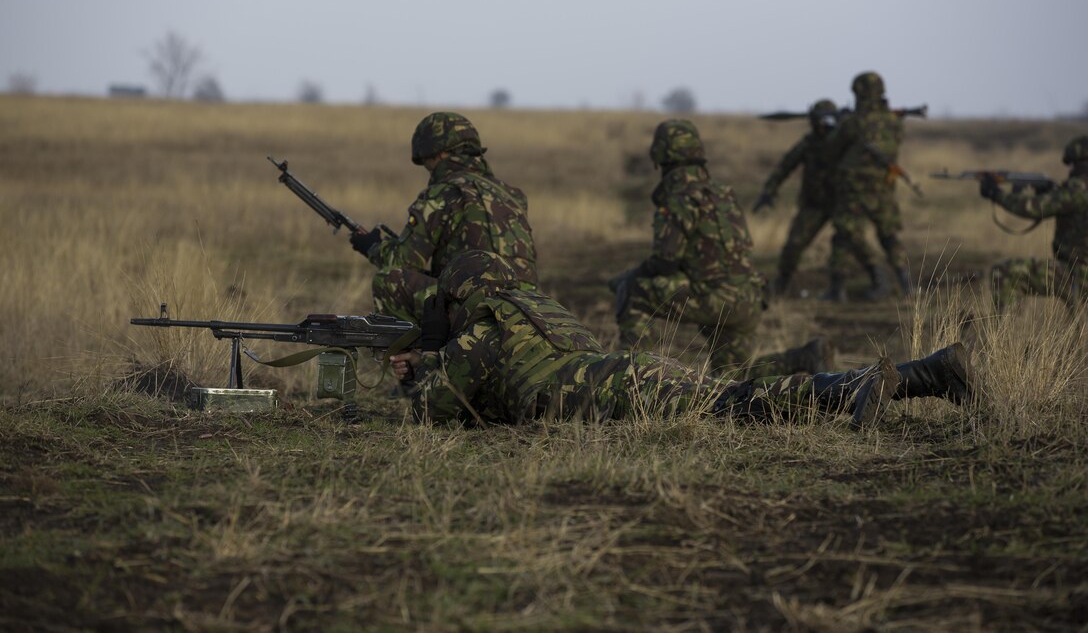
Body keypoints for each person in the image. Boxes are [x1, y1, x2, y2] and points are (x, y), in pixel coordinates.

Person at [390, 251, 973, 428]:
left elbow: (434, 411)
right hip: (629, 373)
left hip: (621, 389)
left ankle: (876, 383)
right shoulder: (539, 313)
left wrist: (414, 378)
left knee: (740, 405)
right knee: (739, 397)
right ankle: (927, 373)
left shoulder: (486, 330)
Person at [607, 119, 831, 377]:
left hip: (715, 300)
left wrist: (630, 275)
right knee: (732, 378)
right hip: (748, 299)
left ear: (660, 155)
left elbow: (665, 261)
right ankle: (801, 357)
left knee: (633, 290)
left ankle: (630, 376)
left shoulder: (680, 197)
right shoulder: (723, 193)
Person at [349, 111, 538, 324]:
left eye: (426, 162)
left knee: (389, 281)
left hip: (478, 308)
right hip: (527, 309)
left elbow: (403, 261)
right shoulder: (512, 195)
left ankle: (415, 356)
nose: (428, 169)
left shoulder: (442, 193)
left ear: (438, 154)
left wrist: (372, 247)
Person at [825, 72, 911, 301]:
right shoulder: (894, 122)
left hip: (854, 187)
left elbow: (832, 148)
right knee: (889, 234)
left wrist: (839, 124)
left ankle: (845, 287)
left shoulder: (854, 122)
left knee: (846, 234)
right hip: (883, 185)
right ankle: (906, 284)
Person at [980, 136, 1088, 312]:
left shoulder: (1078, 190)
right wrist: (1051, 193)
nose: (1069, 170)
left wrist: (996, 193)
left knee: (1004, 272)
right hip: (1079, 272)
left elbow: (1030, 208)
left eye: (1072, 165)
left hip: (1079, 275)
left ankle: (1004, 334)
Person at [753, 99, 843, 295]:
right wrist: (768, 192)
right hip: (814, 204)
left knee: (845, 245)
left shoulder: (844, 144)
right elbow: (784, 167)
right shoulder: (809, 144)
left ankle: (840, 287)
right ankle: (781, 285)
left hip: (841, 203)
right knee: (794, 244)